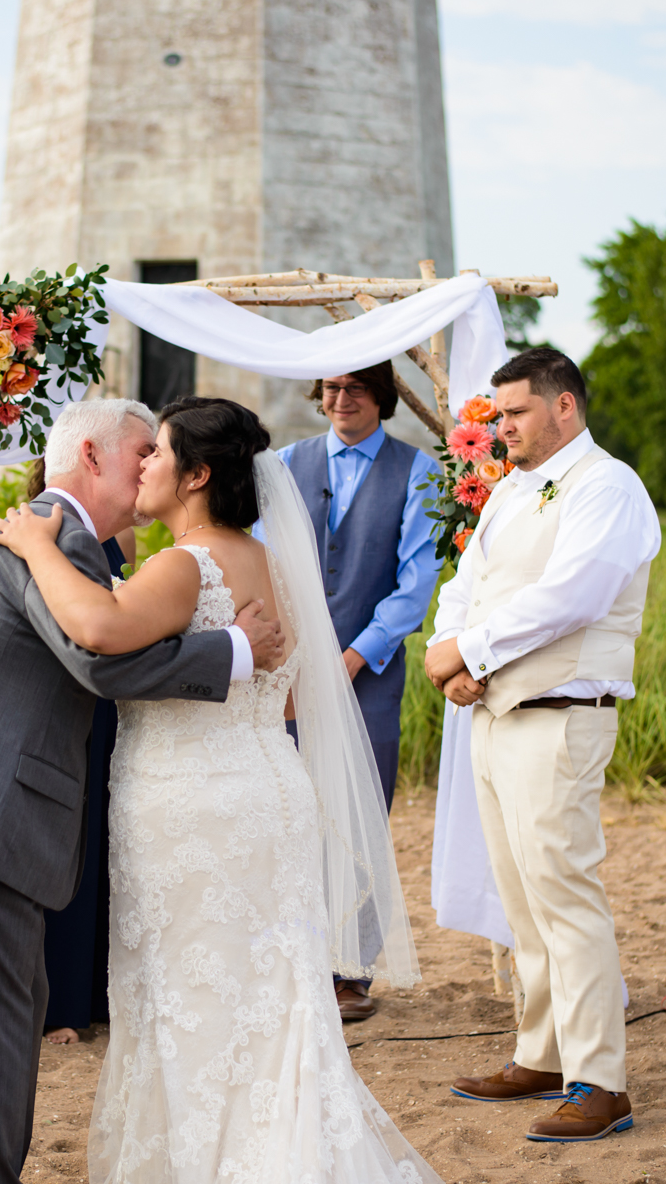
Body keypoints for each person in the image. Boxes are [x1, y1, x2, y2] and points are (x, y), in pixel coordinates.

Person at [0, 396, 434, 1183]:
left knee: (193, 1001)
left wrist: (34, 545)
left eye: (156, 453)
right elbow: (291, 696)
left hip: (192, 809)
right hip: (269, 792)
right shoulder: (274, 565)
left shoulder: (185, 565)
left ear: (196, 475)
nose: (144, 466)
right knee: (274, 996)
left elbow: (98, 627)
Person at [0, 399, 284, 1184]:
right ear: (92, 454)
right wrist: (232, 650)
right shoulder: (49, 535)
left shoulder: (62, 538)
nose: (152, 464)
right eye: (141, 451)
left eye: (162, 452)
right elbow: (102, 662)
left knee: (9, 1018)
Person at [422, 347, 659, 1143]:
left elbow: (574, 595)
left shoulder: (609, 487)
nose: (503, 427)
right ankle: (544, 1052)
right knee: (522, 898)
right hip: (495, 716)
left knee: (566, 894)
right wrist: (447, 646)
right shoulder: (510, 490)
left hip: (562, 714)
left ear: (564, 406)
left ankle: (601, 1080)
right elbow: (469, 583)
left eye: (515, 412)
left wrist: (471, 653)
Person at [274, 360, 441, 1022]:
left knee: (361, 811)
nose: (341, 399)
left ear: (382, 398)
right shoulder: (285, 463)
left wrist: (350, 658)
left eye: (356, 388)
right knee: (292, 809)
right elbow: (264, 558)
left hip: (368, 675)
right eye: (332, 388)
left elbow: (414, 586)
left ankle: (351, 969)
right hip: (287, 669)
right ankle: (297, 957)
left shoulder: (419, 471)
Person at [21, 457, 129, 1046]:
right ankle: (62, 1001)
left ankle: (89, 993)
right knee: (75, 843)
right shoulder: (53, 533)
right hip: (79, 702)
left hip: (110, 710)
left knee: (100, 843)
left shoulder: (111, 533)